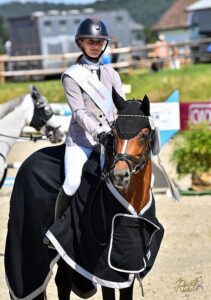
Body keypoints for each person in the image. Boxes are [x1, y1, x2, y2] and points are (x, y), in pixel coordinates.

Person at [54, 17, 125, 219]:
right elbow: (79, 112)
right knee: (72, 182)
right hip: (81, 141)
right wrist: (99, 132)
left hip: (109, 139)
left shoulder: (112, 74)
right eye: (91, 41)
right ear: (81, 43)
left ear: (105, 45)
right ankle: (57, 229)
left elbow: (121, 106)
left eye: (99, 42)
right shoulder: (71, 76)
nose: (95, 46)